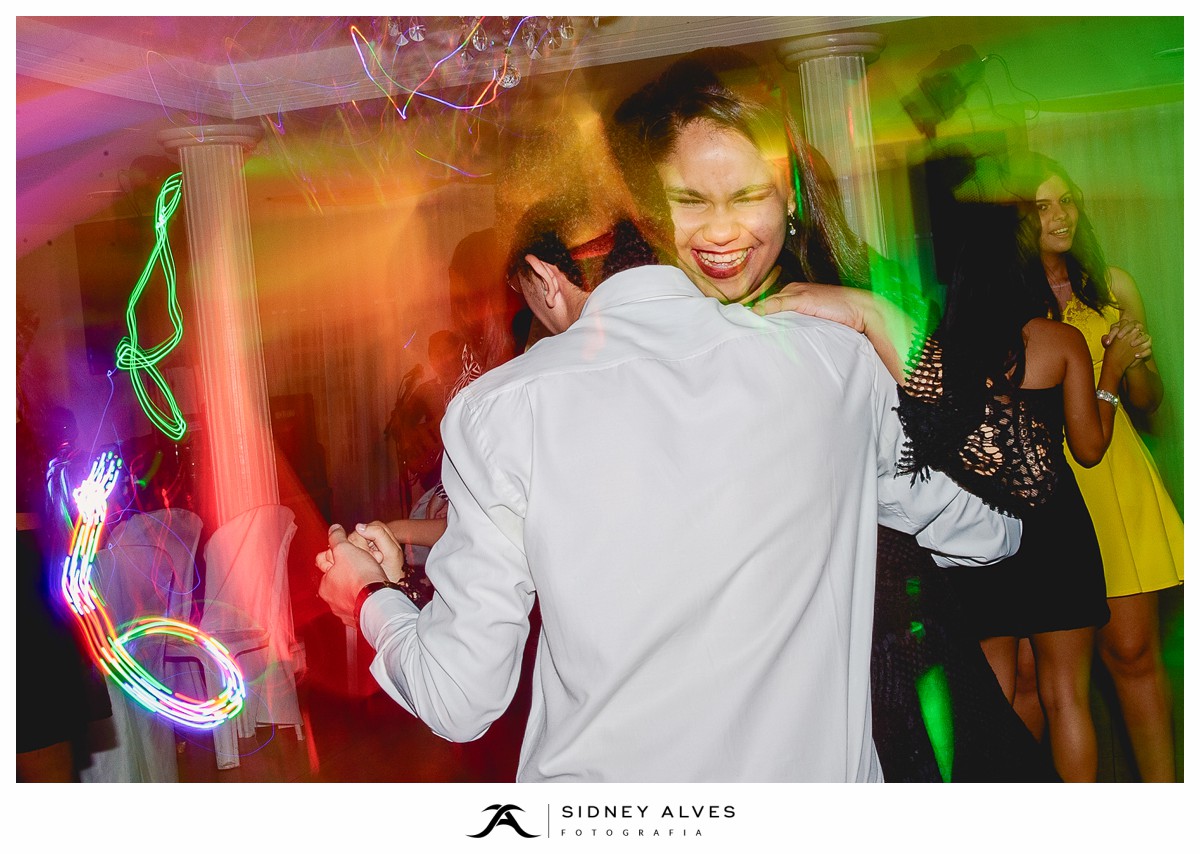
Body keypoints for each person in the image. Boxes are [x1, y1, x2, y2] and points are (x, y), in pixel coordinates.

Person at [316, 197, 1019, 782]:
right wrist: (881, 325)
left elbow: (459, 695)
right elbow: (991, 530)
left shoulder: (503, 408)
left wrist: (369, 595)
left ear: (542, 278)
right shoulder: (827, 356)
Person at [605, 49, 1056, 782]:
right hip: (711, 712)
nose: (720, 232)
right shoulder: (631, 351)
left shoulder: (834, 333)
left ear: (790, 199)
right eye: (691, 200)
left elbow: (1022, 491)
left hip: (883, 688)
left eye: (748, 194)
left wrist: (877, 317)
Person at [898, 199, 1145, 782]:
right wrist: (1111, 374)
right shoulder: (1058, 341)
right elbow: (1088, 447)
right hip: (1055, 528)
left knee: (993, 704)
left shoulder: (935, 350)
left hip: (977, 534)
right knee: (1067, 698)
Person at [1009, 153, 1183, 781]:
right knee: (1051, 675)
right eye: (1044, 205)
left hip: (1116, 470)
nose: (1062, 215)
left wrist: (1131, 360)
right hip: (1053, 482)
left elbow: (1151, 399)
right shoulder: (1010, 297)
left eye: (1068, 200)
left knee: (1134, 654)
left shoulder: (1113, 285)